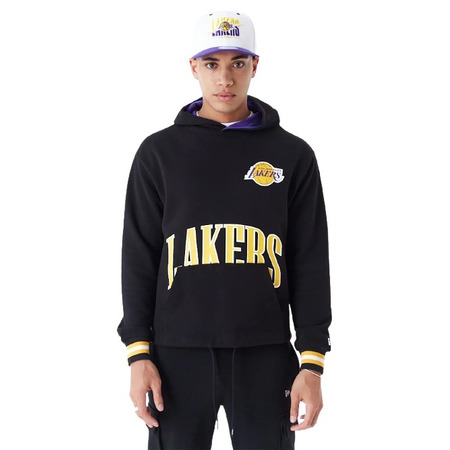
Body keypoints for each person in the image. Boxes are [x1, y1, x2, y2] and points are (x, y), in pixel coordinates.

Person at [117, 10, 332, 450]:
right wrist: (138, 354)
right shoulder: (158, 153)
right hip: (176, 355)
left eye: (238, 62)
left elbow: (309, 259)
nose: (225, 78)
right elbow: (139, 257)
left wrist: (312, 362)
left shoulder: (292, 155)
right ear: (193, 67)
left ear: (255, 65)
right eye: (212, 63)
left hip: (265, 353)